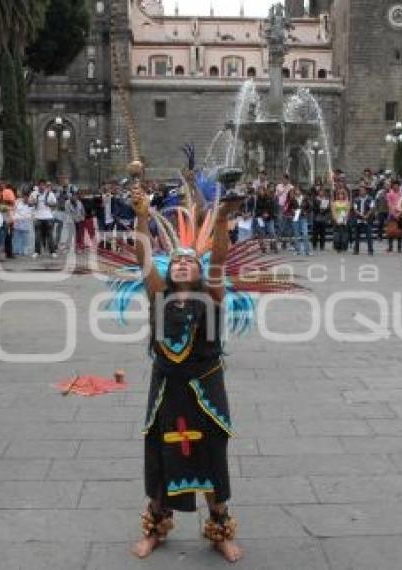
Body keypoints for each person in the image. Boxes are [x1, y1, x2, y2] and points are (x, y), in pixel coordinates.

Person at [127, 185, 243, 563]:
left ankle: (219, 531)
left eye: (188, 261)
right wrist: (142, 216)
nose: (180, 263)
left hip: (205, 392)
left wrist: (222, 218)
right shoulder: (158, 295)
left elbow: (221, 258)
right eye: (175, 260)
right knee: (162, 459)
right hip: (166, 391)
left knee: (211, 459)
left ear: (198, 270)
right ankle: (155, 529)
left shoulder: (211, 295)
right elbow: (144, 258)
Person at [29, 182, 58, 257]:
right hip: (38, 217)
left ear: (45, 186)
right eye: (40, 185)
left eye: (43, 185)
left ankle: (53, 252)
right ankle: (37, 252)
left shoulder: (50, 193)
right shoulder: (34, 193)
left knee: (50, 235)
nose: (41, 187)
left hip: (48, 217)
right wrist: (33, 202)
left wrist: (48, 203)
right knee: (37, 236)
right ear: (38, 186)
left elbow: (55, 203)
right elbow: (29, 203)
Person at [351, 184, 375, 255]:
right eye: (360, 191)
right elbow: (355, 209)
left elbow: (372, 208)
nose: (361, 192)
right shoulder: (356, 199)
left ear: (366, 191)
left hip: (367, 219)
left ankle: (370, 250)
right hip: (358, 219)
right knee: (357, 235)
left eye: (362, 190)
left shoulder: (370, 199)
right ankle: (356, 250)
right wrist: (361, 215)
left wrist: (366, 216)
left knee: (369, 236)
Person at [12, 192, 34, 257]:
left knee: (25, 239)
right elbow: (13, 211)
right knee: (17, 238)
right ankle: (17, 251)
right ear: (23, 197)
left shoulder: (31, 205)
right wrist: (14, 219)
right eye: (25, 197)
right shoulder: (17, 203)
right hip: (17, 224)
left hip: (26, 225)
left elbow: (31, 214)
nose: (26, 198)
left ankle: (25, 251)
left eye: (27, 197)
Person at [331, 186, 351, 252]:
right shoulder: (334, 203)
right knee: (337, 234)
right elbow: (333, 212)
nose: (341, 195)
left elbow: (348, 212)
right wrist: (336, 219)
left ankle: (344, 246)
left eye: (342, 194)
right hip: (337, 220)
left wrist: (345, 219)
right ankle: (337, 247)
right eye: (339, 194)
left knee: (344, 234)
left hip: (344, 220)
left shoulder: (347, 202)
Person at [311, 186, 331, 252]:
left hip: (323, 218)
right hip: (316, 217)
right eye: (320, 191)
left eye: (323, 191)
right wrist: (319, 209)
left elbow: (329, 209)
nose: (321, 193)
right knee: (315, 233)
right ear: (318, 192)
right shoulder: (315, 199)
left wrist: (325, 209)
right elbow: (313, 208)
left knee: (323, 233)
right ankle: (314, 245)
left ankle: (322, 246)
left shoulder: (326, 199)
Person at [385, 182, 402, 254]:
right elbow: (389, 205)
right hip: (392, 214)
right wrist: (394, 214)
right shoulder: (389, 194)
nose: (396, 187)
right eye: (394, 185)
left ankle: (399, 247)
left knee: (400, 231)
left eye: (397, 186)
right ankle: (390, 247)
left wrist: (399, 214)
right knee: (390, 231)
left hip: (400, 214)